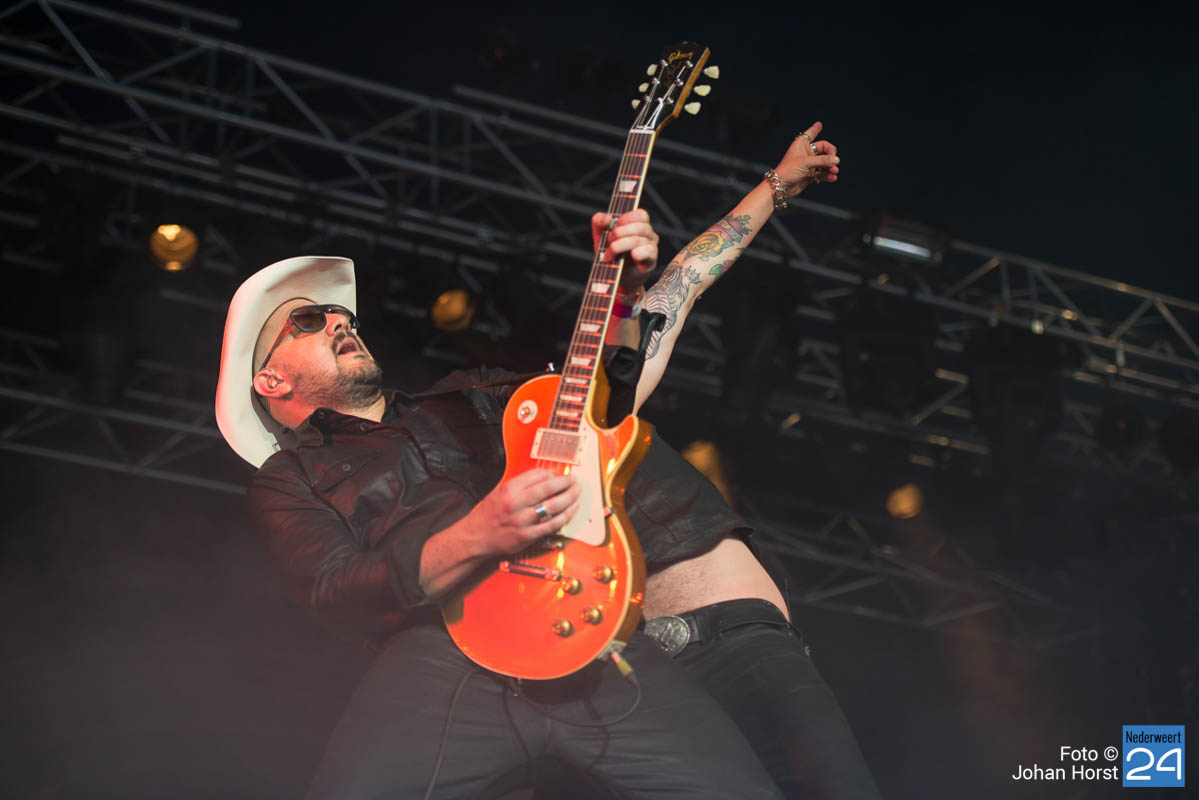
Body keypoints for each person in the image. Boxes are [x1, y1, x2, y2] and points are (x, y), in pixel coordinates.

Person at [214, 205, 790, 795]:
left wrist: (625, 296)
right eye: (309, 320)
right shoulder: (290, 477)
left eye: (343, 314)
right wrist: (477, 535)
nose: (340, 321)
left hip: (586, 632)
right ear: (271, 381)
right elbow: (335, 590)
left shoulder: (475, 392)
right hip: (442, 651)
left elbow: (602, 400)